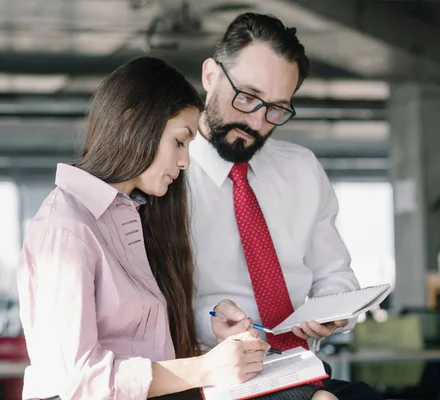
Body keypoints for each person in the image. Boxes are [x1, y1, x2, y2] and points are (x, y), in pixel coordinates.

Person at [17, 56, 339, 400]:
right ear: (132, 123)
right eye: (180, 142)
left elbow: (151, 335)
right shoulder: (65, 229)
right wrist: (204, 369)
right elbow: (80, 381)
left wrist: (211, 318)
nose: (185, 162)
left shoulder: (133, 215)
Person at [188, 12, 383, 400]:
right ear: (211, 76)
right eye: (246, 97)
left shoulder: (301, 169)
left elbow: (335, 273)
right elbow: (150, 302)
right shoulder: (167, 177)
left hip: (300, 368)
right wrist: (208, 324)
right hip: (214, 374)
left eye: (276, 108)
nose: (257, 121)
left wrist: (332, 311)